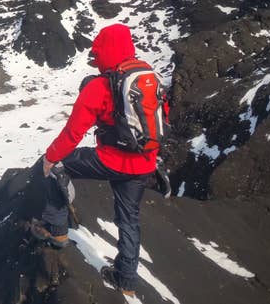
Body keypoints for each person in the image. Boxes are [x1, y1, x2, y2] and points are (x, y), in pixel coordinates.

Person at [29, 23, 170, 297]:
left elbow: (72, 133)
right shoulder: (148, 78)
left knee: (58, 165)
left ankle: (57, 231)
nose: (95, 60)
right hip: (144, 163)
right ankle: (126, 281)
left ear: (105, 50)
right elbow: (159, 119)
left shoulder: (101, 86)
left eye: (97, 53)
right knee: (129, 220)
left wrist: (49, 157)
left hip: (111, 160)